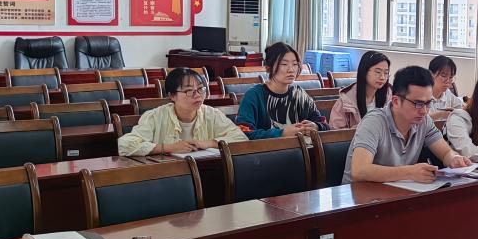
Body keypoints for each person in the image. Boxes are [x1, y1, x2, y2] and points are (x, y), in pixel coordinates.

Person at [344, 65, 471, 184]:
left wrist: (454, 158)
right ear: (396, 101)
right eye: (418, 104)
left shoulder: (424, 121)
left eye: (428, 103)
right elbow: (359, 171)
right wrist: (409, 172)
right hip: (358, 195)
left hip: (397, 192)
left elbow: (445, 153)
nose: (424, 111)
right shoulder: (374, 122)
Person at [119, 68, 247, 156]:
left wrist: (206, 143)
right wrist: (169, 148)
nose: (197, 95)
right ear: (172, 96)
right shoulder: (155, 116)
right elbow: (124, 145)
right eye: (189, 91)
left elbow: (241, 138)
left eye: (200, 89)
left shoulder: (212, 114)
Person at [236, 42, 328, 139]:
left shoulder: (300, 94)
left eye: (295, 64)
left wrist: (317, 126)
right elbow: (244, 133)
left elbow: (324, 124)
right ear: (269, 68)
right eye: (284, 64)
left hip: (301, 148)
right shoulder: (254, 95)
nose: (291, 69)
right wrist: (281, 133)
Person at [329, 50, 390, 130]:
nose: (382, 77)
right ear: (364, 71)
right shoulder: (346, 100)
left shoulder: (391, 97)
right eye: (378, 72)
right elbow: (335, 133)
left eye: (386, 73)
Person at [428, 55, 464, 121]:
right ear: (431, 74)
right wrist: (440, 115)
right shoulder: (422, 95)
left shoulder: (447, 93)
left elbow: (461, 107)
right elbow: (417, 121)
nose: (448, 81)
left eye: (451, 77)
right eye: (443, 76)